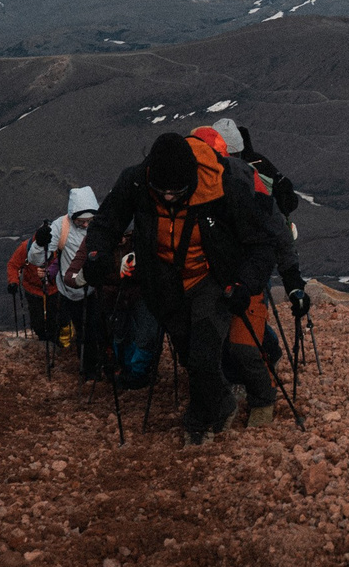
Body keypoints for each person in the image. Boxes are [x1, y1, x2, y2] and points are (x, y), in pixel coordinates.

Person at [76, 131, 279, 443]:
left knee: (203, 356)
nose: (169, 197)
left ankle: (197, 425)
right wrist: (95, 256)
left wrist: (243, 283)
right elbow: (106, 223)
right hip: (164, 285)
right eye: (163, 192)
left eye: (177, 191)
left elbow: (262, 244)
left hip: (211, 279)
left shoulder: (224, 185)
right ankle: (223, 403)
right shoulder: (136, 182)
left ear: (193, 179)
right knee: (189, 357)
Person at [197, 119, 303, 427]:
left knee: (241, 343)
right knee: (218, 339)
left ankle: (259, 387)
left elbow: (275, 236)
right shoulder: (218, 184)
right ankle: (243, 378)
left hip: (248, 271)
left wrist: (293, 281)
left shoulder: (249, 186)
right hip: (225, 273)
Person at [45, 185, 102, 377]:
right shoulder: (62, 227)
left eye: (89, 221)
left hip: (95, 288)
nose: (86, 225)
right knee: (84, 329)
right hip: (71, 290)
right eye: (81, 221)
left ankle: (95, 365)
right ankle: (89, 369)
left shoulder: (100, 227)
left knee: (96, 327)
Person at [6, 221, 57, 342]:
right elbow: (13, 265)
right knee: (37, 321)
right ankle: (43, 339)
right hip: (33, 290)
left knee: (55, 319)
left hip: (54, 289)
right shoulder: (26, 247)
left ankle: (53, 340)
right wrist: (13, 282)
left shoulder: (57, 246)